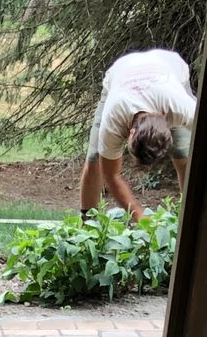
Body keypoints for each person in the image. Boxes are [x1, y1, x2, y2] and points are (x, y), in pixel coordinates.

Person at [80, 48, 195, 221]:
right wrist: (140, 218)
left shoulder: (182, 109)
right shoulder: (113, 118)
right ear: (130, 133)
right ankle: (88, 226)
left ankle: (192, 221)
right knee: (95, 160)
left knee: (184, 156)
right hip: (120, 74)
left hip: (170, 67)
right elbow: (111, 175)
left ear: (169, 126)